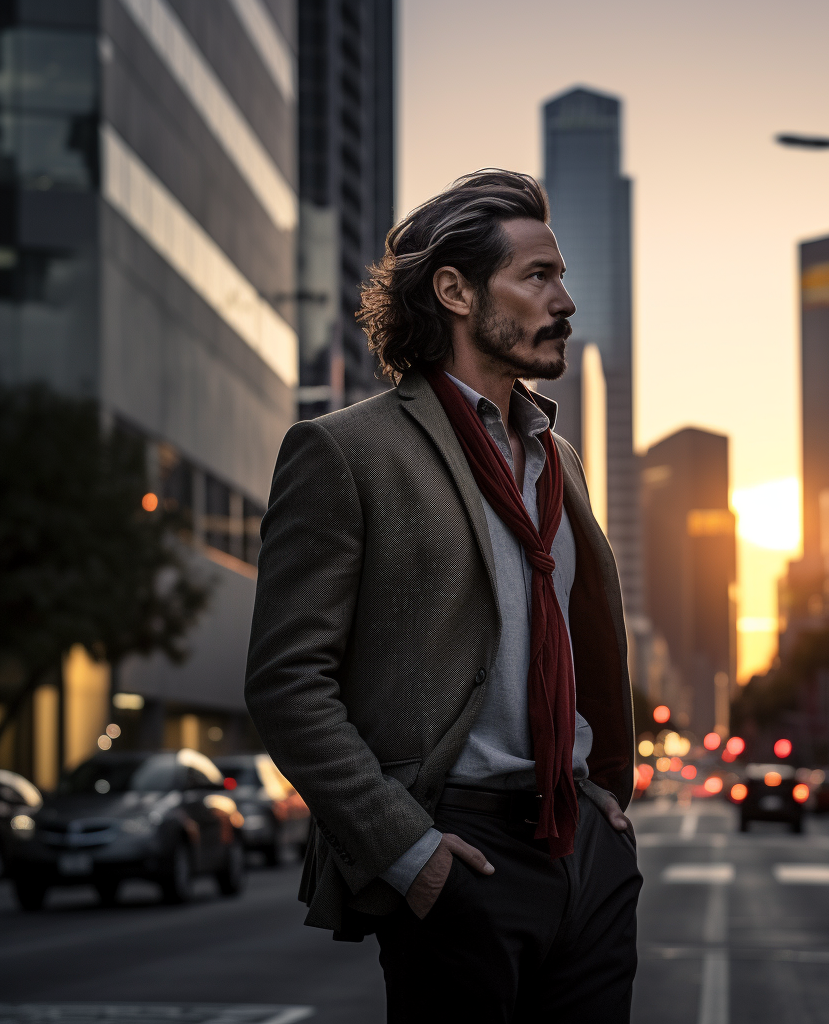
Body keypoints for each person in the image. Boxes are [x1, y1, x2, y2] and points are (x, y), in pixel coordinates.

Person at [245, 169, 642, 1022]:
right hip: (462, 847)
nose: (566, 301)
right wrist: (409, 852)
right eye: (538, 276)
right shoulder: (345, 452)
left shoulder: (558, 461)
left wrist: (606, 798)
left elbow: (577, 636)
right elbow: (287, 683)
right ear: (456, 290)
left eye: (563, 276)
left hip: (585, 850)